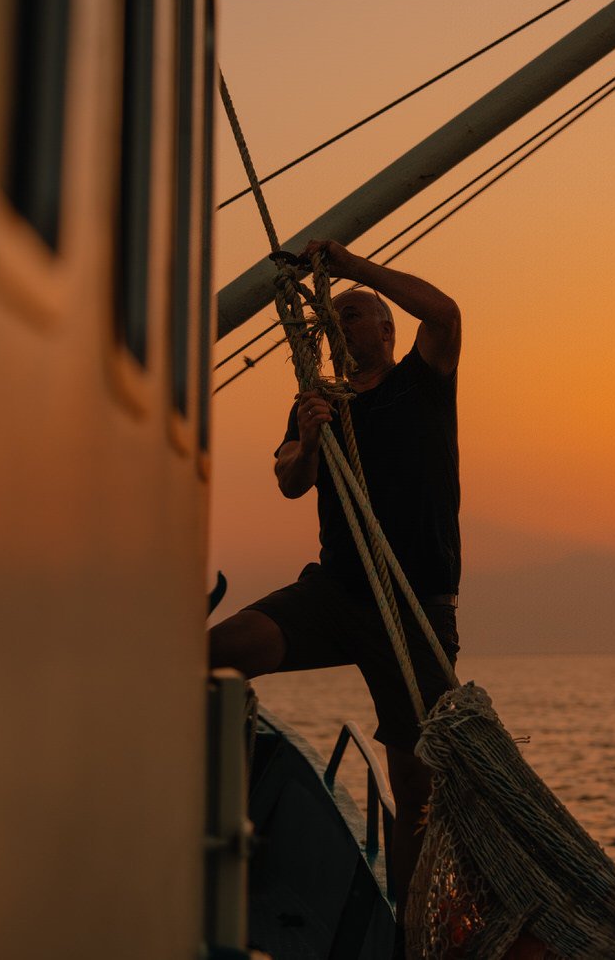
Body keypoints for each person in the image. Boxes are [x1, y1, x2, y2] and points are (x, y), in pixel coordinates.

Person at [211, 236, 462, 915]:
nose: (339, 324)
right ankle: (206, 823)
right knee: (219, 652)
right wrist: (314, 440)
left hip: (415, 610)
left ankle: (409, 936)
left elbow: (445, 313)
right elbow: (290, 478)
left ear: (386, 328)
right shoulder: (317, 401)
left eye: (352, 314)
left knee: (415, 791)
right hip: (337, 593)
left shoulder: (423, 382)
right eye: (335, 317)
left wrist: (352, 267)